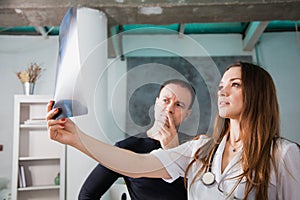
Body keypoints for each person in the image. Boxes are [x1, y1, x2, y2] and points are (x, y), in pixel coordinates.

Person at [47, 62, 300, 200]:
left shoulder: (284, 154)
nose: (222, 91)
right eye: (221, 85)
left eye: (235, 85)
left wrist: (171, 146)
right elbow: (136, 164)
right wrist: (76, 137)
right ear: (155, 102)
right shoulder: (199, 150)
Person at [77, 79, 196, 200]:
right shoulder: (128, 148)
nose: (169, 109)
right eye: (166, 101)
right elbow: (87, 195)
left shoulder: (195, 149)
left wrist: (173, 151)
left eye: (179, 105)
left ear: (187, 114)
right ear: (156, 104)